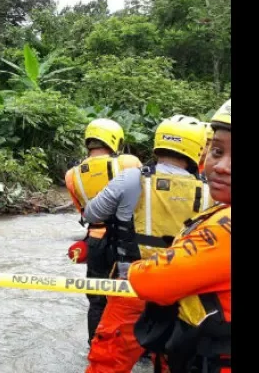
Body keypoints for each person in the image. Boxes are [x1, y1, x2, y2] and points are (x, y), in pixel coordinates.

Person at [81, 115, 209, 373]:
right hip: (182, 290)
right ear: (197, 149)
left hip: (132, 285)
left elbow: (91, 215)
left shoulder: (130, 178)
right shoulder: (210, 191)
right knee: (172, 360)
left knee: (108, 360)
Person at [129, 100, 231, 373]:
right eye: (217, 151)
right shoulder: (211, 199)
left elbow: (150, 280)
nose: (222, 166)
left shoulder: (132, 177)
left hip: (208, 355)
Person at [65, 118, 142, 347]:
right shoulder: (129, 162)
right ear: (114, 139)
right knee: (131, 296)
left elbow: (84, 211)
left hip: (96, 239)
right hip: (128, 241)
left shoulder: (72, 175)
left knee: (97, 298)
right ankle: (137, 347)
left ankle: (95, 344)